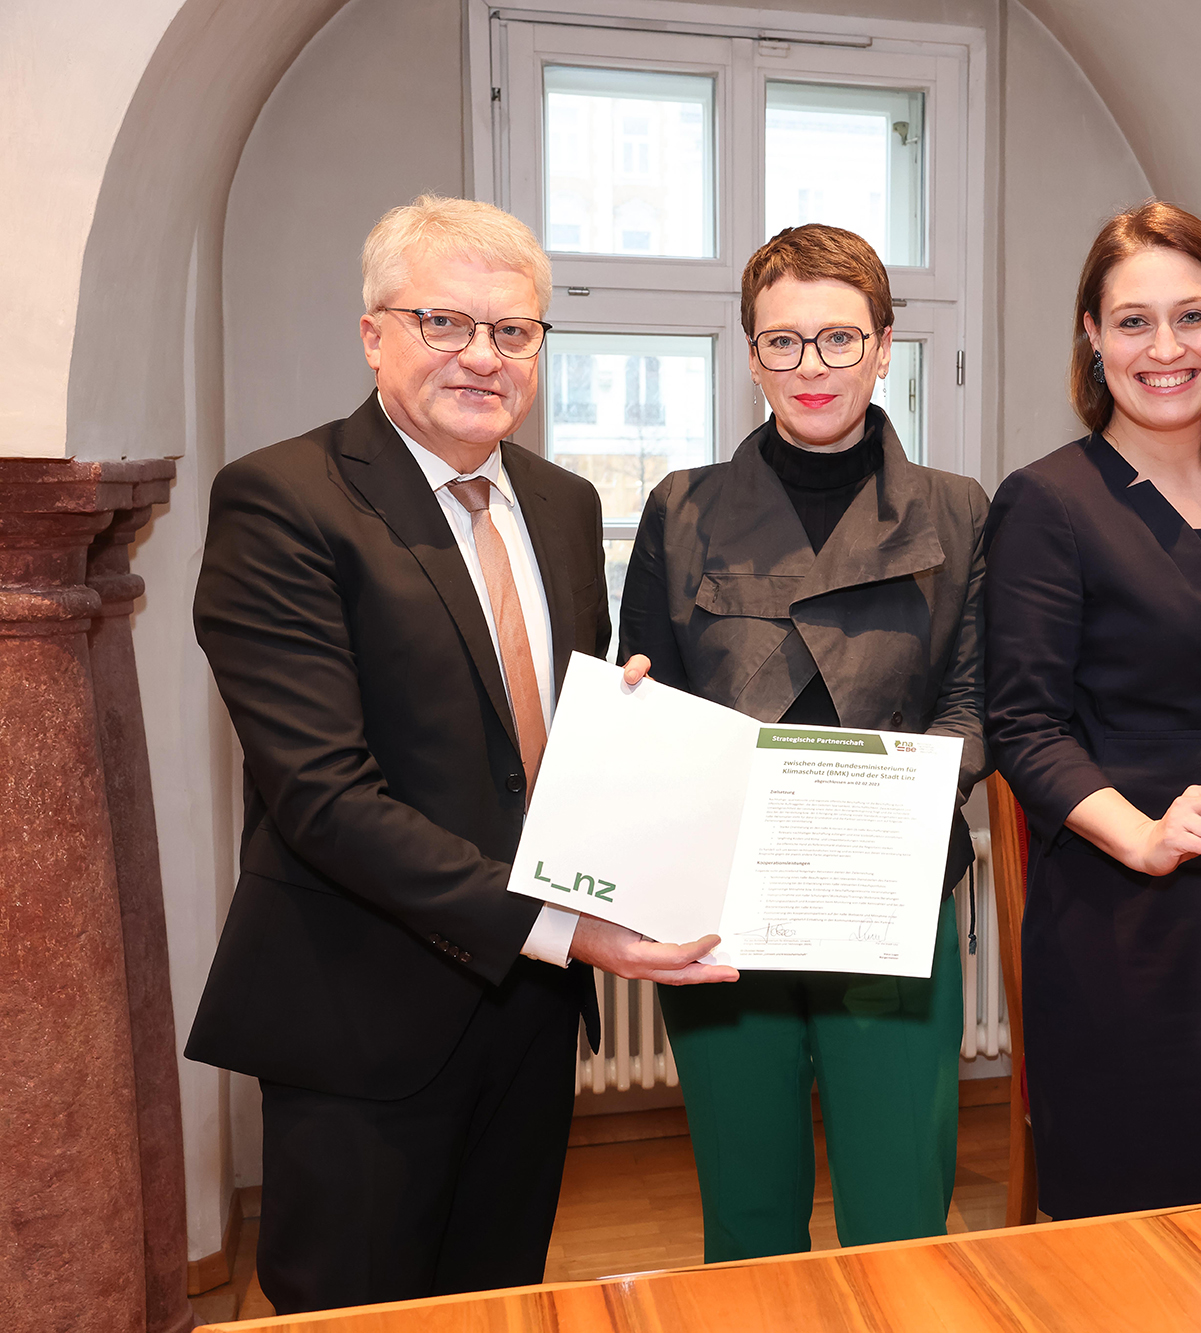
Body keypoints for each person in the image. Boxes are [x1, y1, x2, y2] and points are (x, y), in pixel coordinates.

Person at [186, 196, 735, 1315]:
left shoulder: (564, 503)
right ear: (373, 334)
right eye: (444, 321)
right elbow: (324, 799)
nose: (483, 356)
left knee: (500, 1301)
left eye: (513, 330)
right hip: (361, 1016)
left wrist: (620, 734)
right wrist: (569, 928)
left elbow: (534, 743)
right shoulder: (282, 500)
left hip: (530, 1014)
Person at [618, 223, 988, 1262]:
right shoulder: (680, 509)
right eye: (782, 341)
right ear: (751, 355)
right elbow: (651, 692)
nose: (810, 366)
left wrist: (883, 800)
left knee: (902, 1218)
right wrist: (636, 716)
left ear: (883, 346)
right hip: (722, 911)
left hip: (891, 895)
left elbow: (975, 705)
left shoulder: (957, 510)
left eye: (838, 338)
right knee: (746, 1217)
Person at [984, 201, 1201, 1220]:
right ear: (1092, 337)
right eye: (1133, 321)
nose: (1166, 348)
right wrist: (1140, 835)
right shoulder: (1049, 502)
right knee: (1141, 1246)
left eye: (1191, 316)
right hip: (1131, 930)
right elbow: (1025, 726)